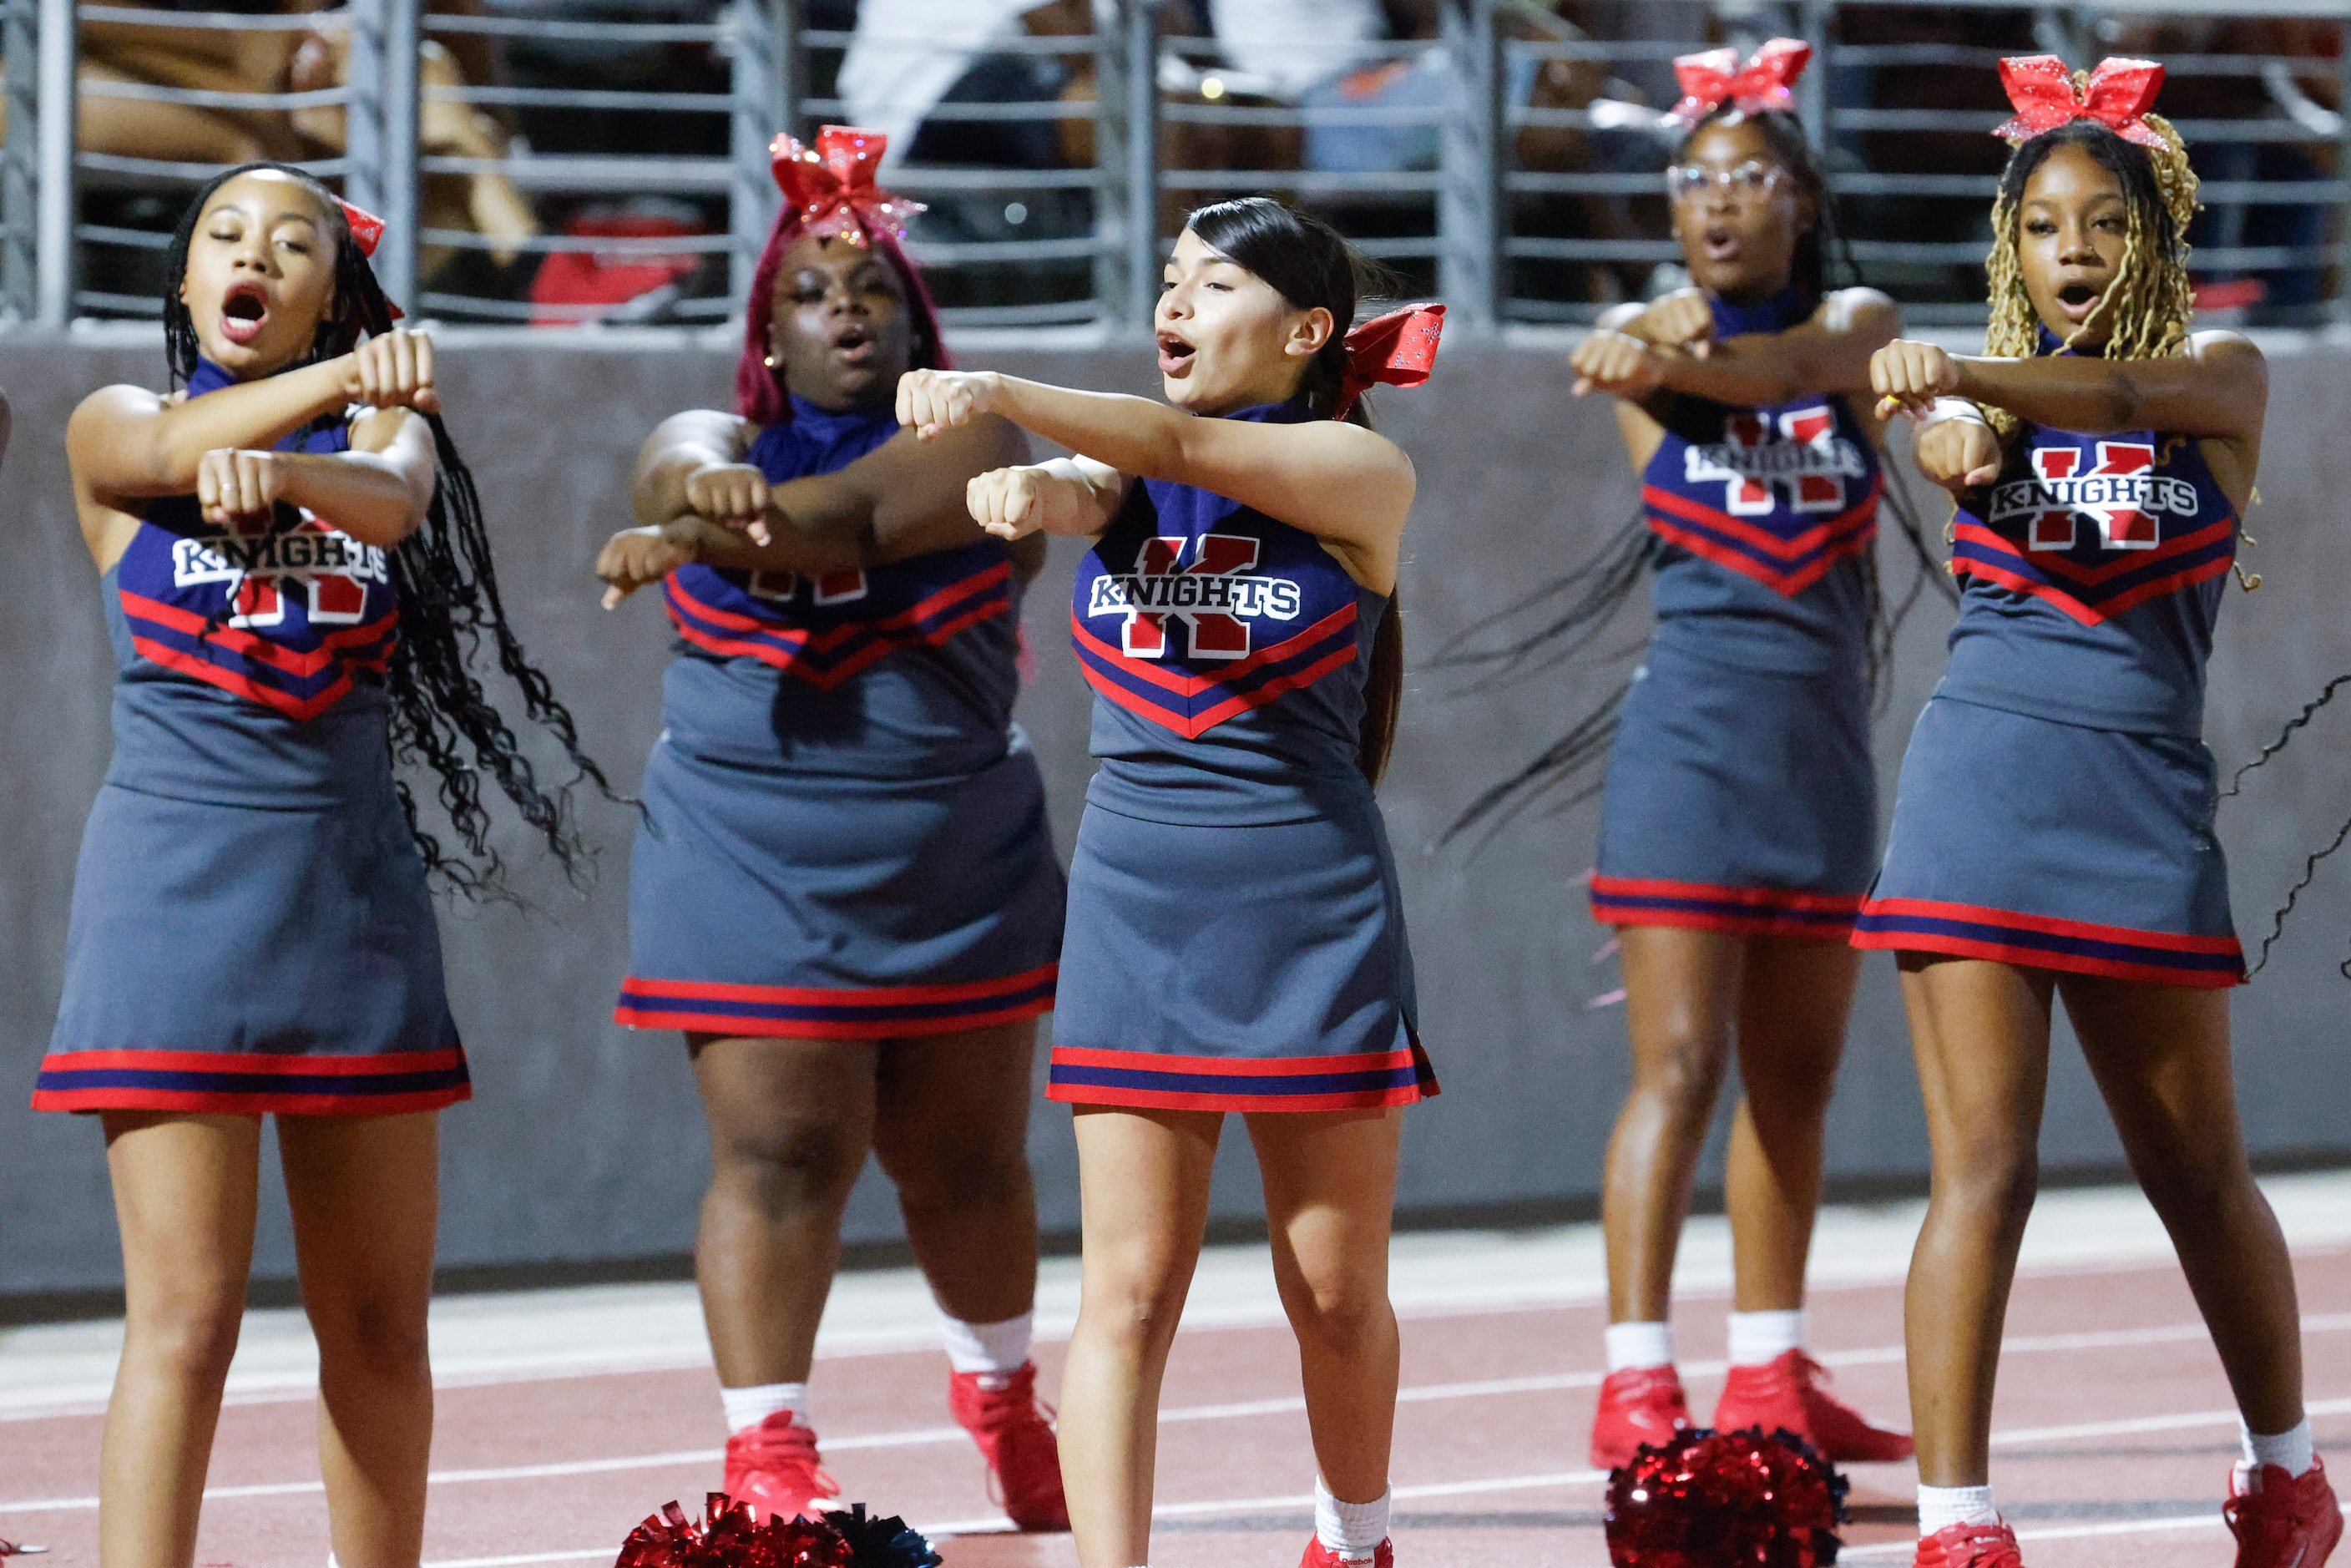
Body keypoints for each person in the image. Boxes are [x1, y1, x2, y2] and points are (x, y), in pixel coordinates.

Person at [31, 163, 604, 1568]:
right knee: (187, 1320)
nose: (255, 256)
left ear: (330, 293)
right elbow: (157, 460)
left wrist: (299, 452)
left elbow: (396, 503)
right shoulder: (118, 426)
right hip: (172, 909)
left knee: (374, 1323)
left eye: (293, 245)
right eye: (225, 236)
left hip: (352, 911)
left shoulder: (380, 443)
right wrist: (313, 398)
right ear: (183, 284)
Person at [896, 195, 1443, 1568]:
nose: (1173, 306)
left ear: (1309, 330)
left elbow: (1185, 444)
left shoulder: (1359, 475)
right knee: (1129, 1290)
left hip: (1305, 912)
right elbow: (1107, 483)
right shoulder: (1126, 481)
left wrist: (1002, 394)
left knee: (1331, 1287)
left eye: (1210, 282)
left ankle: (1355, 1535)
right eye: (1167, 279)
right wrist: (1033, 487)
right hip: (1138, 912)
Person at [1862, 55, 2339, 1568]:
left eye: (2104, 226)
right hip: (1978, 798)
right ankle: (1959, 1527)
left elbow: (2119, 394)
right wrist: (1947, 427)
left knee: (2197, 1171)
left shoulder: (2223, 388)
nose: (2073, 252)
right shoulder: (1975, 422)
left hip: (2139, 808)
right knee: (1982, 1169)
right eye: (2044, 228)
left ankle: (2288, 1475)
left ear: (2157, 240)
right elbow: (1967, 445)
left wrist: (1960, 375)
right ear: (2010, 250)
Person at [594, 126, 1068, 1530]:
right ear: (769, 333)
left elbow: (837, 528)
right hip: (748, 846)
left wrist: (697, 533)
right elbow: (674, 456)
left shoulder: (978, 444)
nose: (845, 310)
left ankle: (998, 1390)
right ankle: (767, 1444)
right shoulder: (712, 447)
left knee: (965, 1164)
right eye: (810, 291)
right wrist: (682, 483)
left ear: (919, 322)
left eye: (872, 289)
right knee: (784, 1153)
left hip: (948, 845)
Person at [1454, 39, 1916, 1471]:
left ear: (1799, 196)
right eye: (1693, 182)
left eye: (1748, 180)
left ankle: (1772, 1370)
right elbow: (1677, 350)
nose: (1718, 206)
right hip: (1690, 754)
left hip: (1823, 753)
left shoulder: (1854, 323)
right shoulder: (1650, 332)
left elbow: (1794, 361)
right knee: (1676, 1064)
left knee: (1800, 1080)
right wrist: (1647, 348)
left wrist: (1663, 354)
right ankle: (1636, 1380)